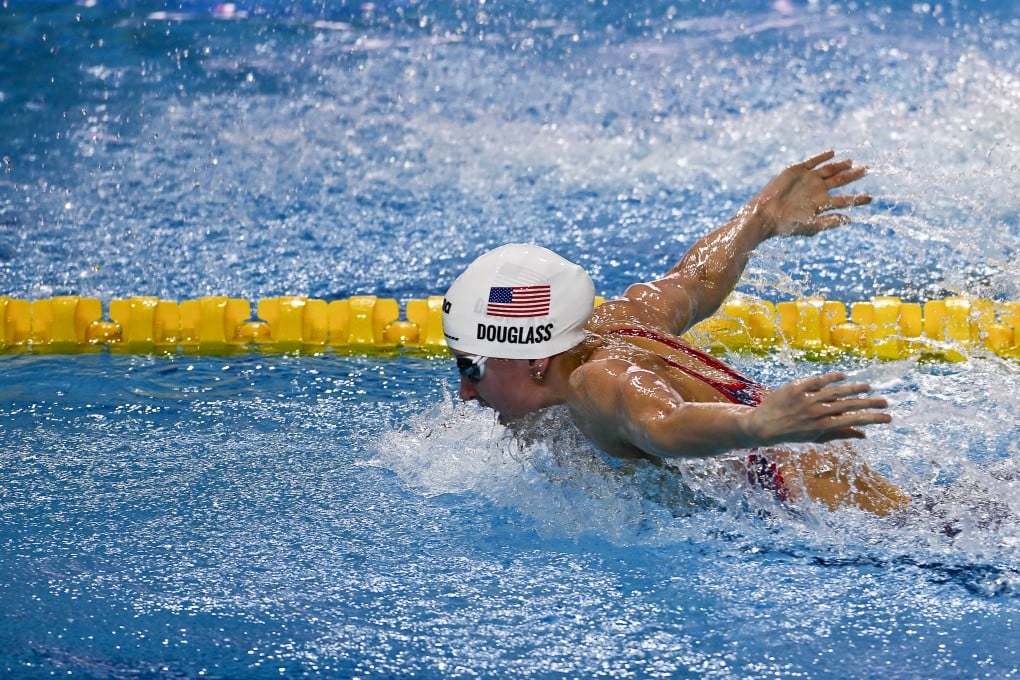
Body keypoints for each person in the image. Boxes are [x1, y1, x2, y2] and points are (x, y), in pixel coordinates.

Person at [441, 150, 910, 515]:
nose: (464, 391)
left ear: (536, 359)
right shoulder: (619, 322)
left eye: (472, 369)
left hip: (813, 506)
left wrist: (757, 425)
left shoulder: (594, 383)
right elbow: (697, 279)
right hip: (812, 474)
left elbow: (662, 420)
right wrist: (760, 218)